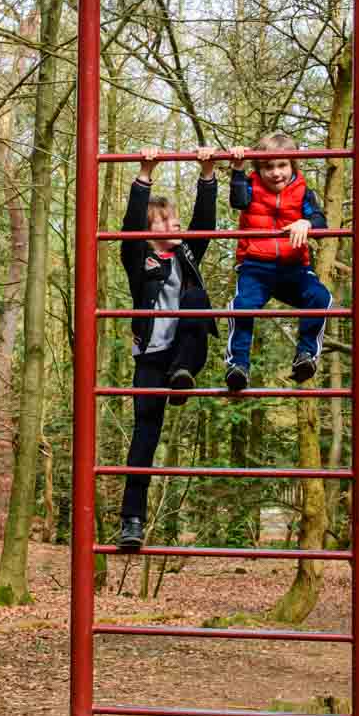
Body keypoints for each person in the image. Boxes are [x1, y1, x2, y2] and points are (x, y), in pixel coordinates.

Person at [115, 149, 223, 554]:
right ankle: (131, 521)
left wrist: (208, 171)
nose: (175, 225)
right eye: (165, 221)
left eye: (176, 220)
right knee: (144, 434)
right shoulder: (137, 258)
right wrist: (145, 173)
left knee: (197, 299)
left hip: (185, 353)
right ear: (149, 231)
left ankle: (182, 377)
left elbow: (205, 223)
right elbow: (129, 224)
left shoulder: (188, 255)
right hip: (149, 358)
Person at [224, 131, 333, 392]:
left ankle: (306, 355)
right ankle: (237, 365)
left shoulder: (303, 191)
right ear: (259, 168)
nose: (276, 173)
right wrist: (238, 168)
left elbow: (320, 219)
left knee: (321, 298)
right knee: (242, 306)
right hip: (255, 266)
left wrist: (306, 222)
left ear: (293, 165)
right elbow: (238, 200)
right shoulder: (252, 186)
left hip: (293, 267)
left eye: (282, 165)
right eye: (268, 166)